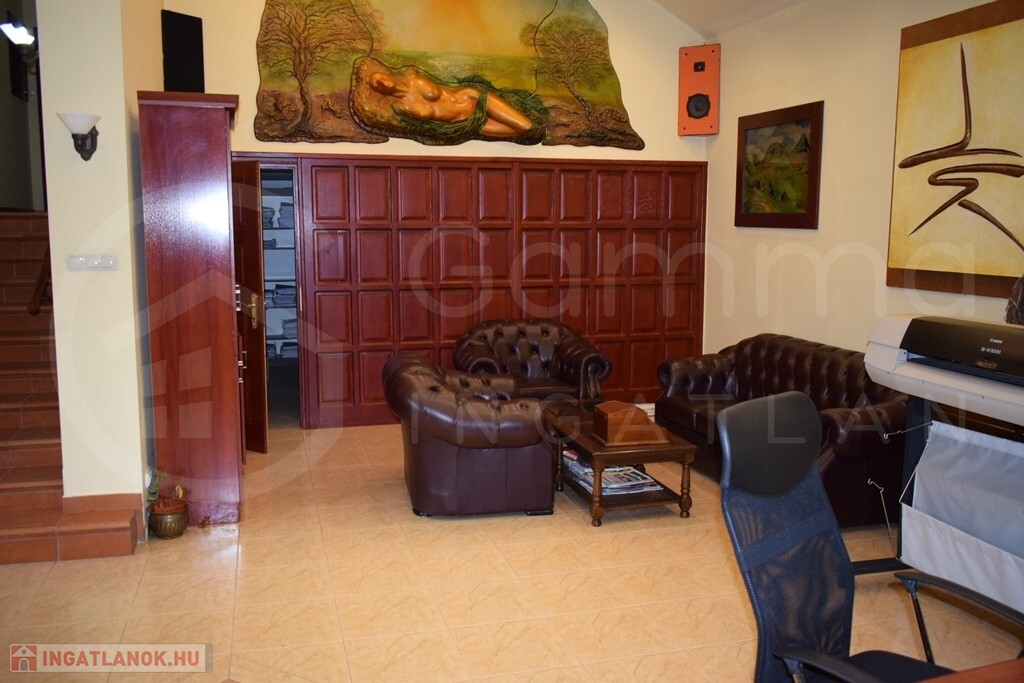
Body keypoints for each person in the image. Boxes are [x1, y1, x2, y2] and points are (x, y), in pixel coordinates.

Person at [367, 69, 534, 138]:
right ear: (378, 91)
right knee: (525, 133)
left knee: (528, 127)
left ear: (386, 73)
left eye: (380, 77)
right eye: (377, 84)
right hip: (469, 123)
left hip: (473, 99)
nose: (382, 82)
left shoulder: (412, 77)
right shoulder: (401, 108)